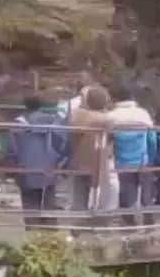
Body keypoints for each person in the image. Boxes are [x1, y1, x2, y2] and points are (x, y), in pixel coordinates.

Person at [10, 95, 65, 230]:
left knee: (29, 203)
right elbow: (62, 144)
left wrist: (13, 169)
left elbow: (13, 150)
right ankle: (51, 234)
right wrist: (60, 163)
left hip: (26, 170)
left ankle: (33, 234)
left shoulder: (17, 124)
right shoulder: (53, 121)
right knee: (49, 202)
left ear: (25, 106)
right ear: (41, 106)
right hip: (49, 168)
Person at [107, 82, 157, 226]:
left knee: (126, 189)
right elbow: (151, 138)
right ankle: (148, 217)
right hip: (142, 158)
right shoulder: (142, 113)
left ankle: (129, 219)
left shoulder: (111, 116)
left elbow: (108, 139)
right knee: (147, 188)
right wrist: (152, 156)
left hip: (122, 159)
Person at [69, 85, 114, 215]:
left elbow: (73, 132)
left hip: (82, 159)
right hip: (100, 161)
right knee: (100, 192)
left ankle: (80, 215)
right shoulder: (108, 118)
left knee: (80, 192)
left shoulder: (80, 116)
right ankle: (98, 214)